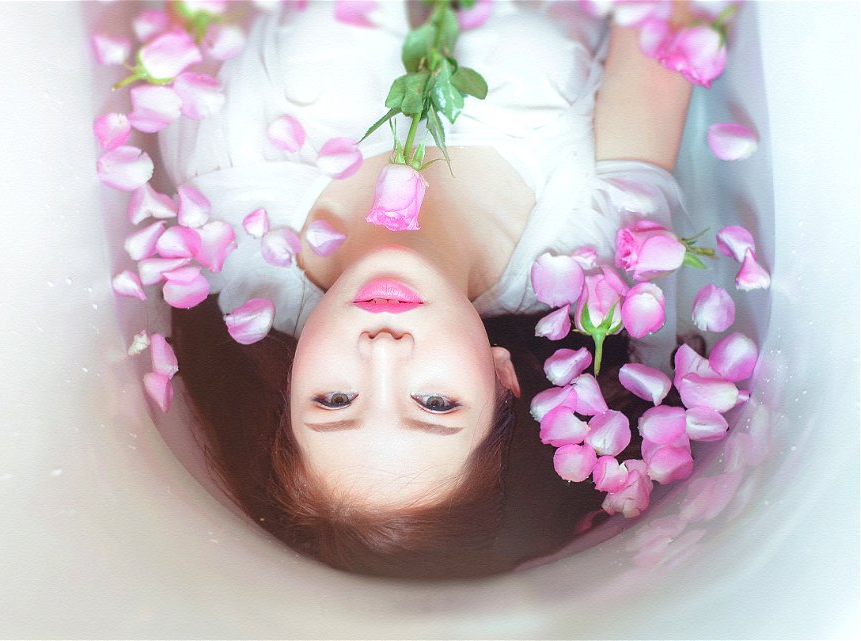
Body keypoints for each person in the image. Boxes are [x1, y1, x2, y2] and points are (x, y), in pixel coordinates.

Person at [166, 0, 694, 579]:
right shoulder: (589, 243)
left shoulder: (233, 218)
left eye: (334, 399)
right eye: (435, 404)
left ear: (289, 382)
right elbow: (665, 20)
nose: (383, 349)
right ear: (503, 381)